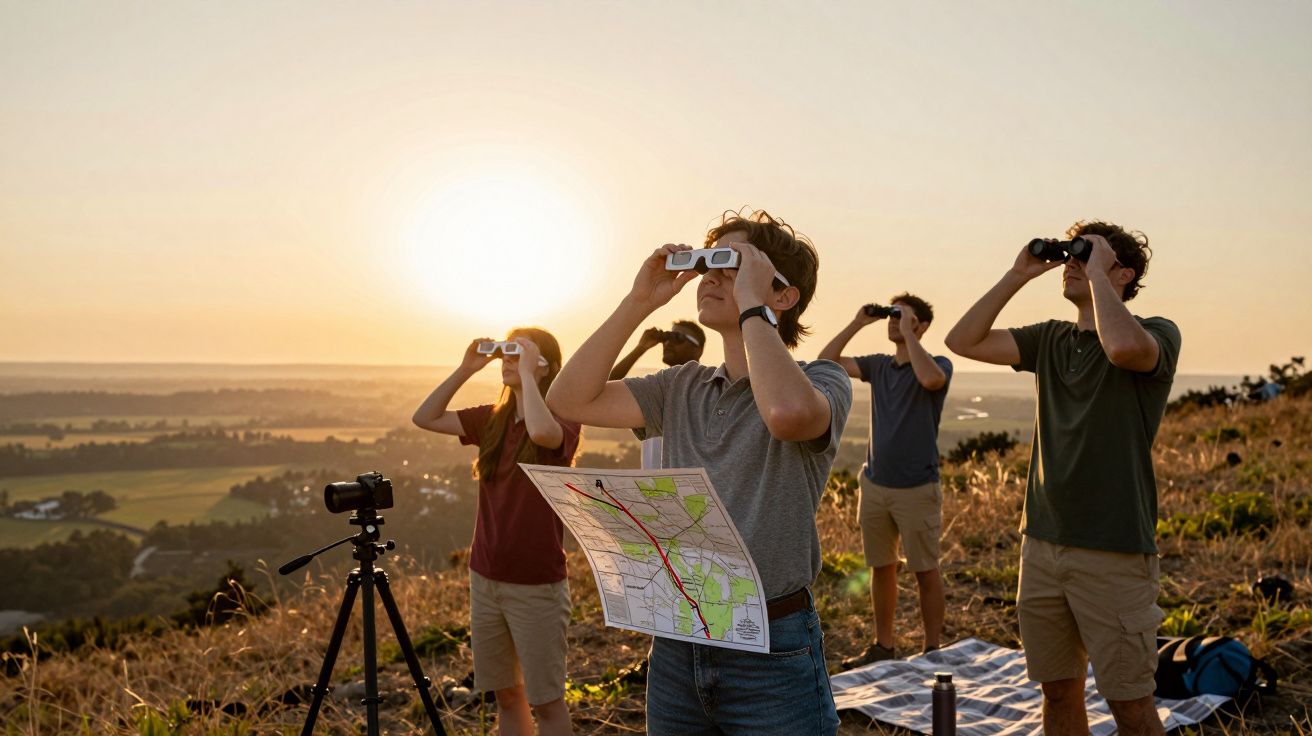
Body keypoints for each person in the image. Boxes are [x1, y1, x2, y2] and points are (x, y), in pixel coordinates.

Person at [546, 210, 852, 735]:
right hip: (678, 640)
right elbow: (569, 399)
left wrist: (754, 303)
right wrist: (639, 301)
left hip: (772, 647)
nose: (710, 276)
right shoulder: (681, 387)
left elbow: (785, 415)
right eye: (707, 263)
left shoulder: (822, 380)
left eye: (731, 263)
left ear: (783, 295)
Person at [944, 221, 1181, 736]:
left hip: (1113, 548)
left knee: (1131, 704)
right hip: (1042, 544)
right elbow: (961, 340)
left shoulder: (1157, 332)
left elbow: (1122, 350)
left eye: (1087, 254)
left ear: (1125, 274)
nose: (1072, 262)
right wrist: (1018, 274)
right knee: (1057, 690)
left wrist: (1096, 272)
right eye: (1071, 254)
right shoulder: (1050, 339)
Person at [411, 328, 579, 736]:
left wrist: (527, 377)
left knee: (547, 701)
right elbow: (425, 417)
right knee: (507, 695)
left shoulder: (562, 420)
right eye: (506, 353)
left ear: (546, 368)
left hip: (536, 585)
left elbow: (541, 433)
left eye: (520, 354)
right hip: (485, 578)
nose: (508, 360)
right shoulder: (491, 420)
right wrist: (466, 368)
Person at [818, 294, 951, 667]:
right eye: (891, 317)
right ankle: (884, 645)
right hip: (875, 484)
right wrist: (858, 323)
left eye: (902, 317)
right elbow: (825, 362)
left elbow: (930, 380)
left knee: (925, 569)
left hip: (917, 487)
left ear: (921, 326)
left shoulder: (937, 363)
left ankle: (932, 649)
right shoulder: (879, 366)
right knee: (882, 567)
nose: (893, 322)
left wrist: (909, 336)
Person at [609, 320, 706, 468]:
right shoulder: (656, 392)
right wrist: (640, 348)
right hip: (655, 488)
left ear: (697, 350)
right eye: (666, 337)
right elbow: (607, 391)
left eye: (677, 337)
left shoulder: (708, 392)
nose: (668, 343)